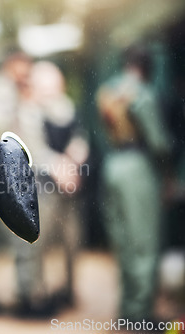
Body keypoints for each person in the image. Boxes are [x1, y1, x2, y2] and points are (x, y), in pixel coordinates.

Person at [0, 55, 88, 316]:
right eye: (24, 70)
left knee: (10, 237)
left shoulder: (18, 96)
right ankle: (25, 298)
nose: (26, 77)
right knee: (16, 236)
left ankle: (14, 295)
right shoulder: (0, 93)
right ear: (12, 64)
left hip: (4, 171)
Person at [96, 44, 170, 322]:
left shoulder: (109, 90)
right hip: (138, 166)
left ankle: (127, 309)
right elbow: (158, 142)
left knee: (124, 240)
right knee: (144, 241)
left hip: (113, 164)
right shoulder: (143, 92)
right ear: (148, 67)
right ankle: (141, 313)